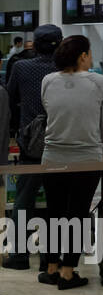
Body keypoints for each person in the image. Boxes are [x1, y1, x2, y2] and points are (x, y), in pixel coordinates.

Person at [39, 35, 103, 290]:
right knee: (78, 214)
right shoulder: (99, 82)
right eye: (89, 54)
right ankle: (68, 272)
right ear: (83, 56)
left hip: (52, 156)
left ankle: (51, 267)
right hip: (87, 158)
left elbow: (49, 110)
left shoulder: (48, 81)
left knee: (54, 213)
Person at [4, 24, 61, 271]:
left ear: (34, 45)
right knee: (57, 201)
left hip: (31, 143)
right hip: (62, 142)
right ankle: (52, 258)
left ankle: (19, 255)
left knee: (23, 200)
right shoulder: (66, 70)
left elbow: (9, 98)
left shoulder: (21, 67)